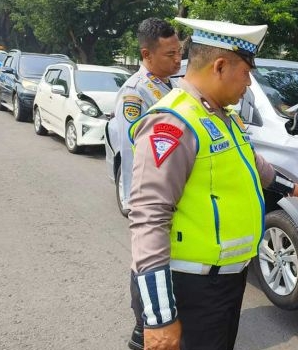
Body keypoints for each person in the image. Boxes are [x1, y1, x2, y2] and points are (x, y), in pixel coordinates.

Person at [127, 17, 298, 350]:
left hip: (225, 283)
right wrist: (160, 317)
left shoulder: (222, 115)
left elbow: (250, 160)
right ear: (220, 66)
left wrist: (286, 185)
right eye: (246, 73)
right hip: (189, 289)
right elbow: (149, 217)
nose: (249, 84)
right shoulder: (174, 122)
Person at [112, 17, 183, 350]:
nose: (177, 59)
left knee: (165, 261)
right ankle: (142, 331)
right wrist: (133, 203)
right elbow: (132, 154)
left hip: (173, 196)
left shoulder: (172, 85)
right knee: (147, 259)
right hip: (149, 198)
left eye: (179, 51)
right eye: (170, 54)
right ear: (146, 53)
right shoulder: (135, 92)